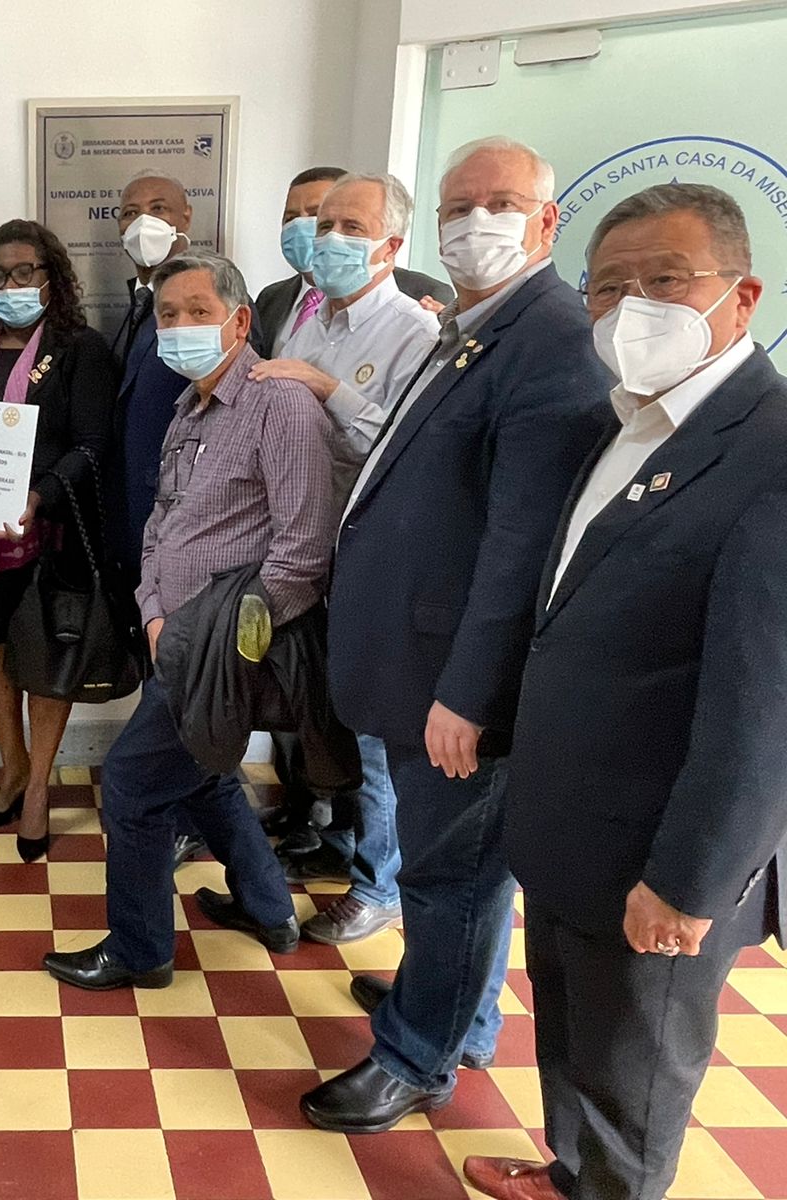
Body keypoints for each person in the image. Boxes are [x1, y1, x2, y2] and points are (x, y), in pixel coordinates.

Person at [464, 185, 787, 1200]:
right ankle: (571, 1175)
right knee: (574, 1034)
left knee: (636, 1075)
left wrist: (691, 882)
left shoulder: (770, 451)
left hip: (659, 854)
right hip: (574, 829)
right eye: (608, 288)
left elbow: (764, 709)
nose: (631, 308)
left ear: (742, 296)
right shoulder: (629, 425)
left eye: (665, 280)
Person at [302, 137, 612, 1133]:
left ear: (546, 221)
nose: (476, 223)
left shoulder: (550, 338)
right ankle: (456, 1015)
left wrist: (470, 692)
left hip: (457, 678)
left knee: (452, 876)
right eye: (458, 206)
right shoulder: (475, 324)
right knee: (452, 870)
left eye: (501, 203)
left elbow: (523, 545)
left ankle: (415, 1058)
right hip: (417, 657)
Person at [42, 251, 332, 990]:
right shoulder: (188, 408)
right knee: (203, 776)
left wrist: (226, 647)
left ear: (239, 320)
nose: (180, 327)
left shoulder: (280, 405)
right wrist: (152, 617)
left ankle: (140, 951)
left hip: (223, 649)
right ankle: (270, 909)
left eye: (198, 312)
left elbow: (302, 552)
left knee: (133, 785)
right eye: (168, 315)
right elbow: (161, 526)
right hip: (172, 638)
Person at [250, 172, 440, 945]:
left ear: (391, 245)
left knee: (375, 734)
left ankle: (379, 885)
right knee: (322, 715)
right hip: (306, 554)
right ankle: (332, 839)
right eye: (321, 224)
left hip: (377, 564)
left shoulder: (414, 332)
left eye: (348, 227)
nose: (327, 239)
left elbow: (404, 455)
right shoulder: (305, 321)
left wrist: (327, 388)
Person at [0, 219, 118, 862]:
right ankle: (12, 768)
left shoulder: (81, 350)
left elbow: (92, 445)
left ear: (51, 278)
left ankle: (39, 785)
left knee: (43, 661)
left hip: (50, 531)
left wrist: (39, 497)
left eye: (24, 272)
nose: (11, 285)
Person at [107, 171, 221, 871]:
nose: (141, 222)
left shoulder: (207, 305)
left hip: (189, 542)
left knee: (177, 694)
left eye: (157, 209)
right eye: (128, 212)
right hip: (141, 531)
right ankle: (245, 872)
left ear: (187, 218)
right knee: (169, 685)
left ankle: (173, 815)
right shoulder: (137, 305)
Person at [253, 165, 452, 360]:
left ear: (391, 247)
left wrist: (321, 381)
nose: (332, 237)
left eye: (352, 227)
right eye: (325, 226)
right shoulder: (313, 322)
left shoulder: (419, 330)